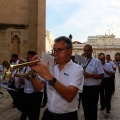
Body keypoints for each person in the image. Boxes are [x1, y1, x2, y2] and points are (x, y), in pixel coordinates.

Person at [27, 36, 84, 120]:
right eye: (55, 50)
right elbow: (37, 88)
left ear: (69, 51)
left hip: (67, 116)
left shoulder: (77, 69)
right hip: (49, 114)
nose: (55, 54)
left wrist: (49, 77)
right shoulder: (51, 68)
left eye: (60, 50)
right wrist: (32, 76)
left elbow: (69, 95)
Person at [81, 44, 104, 120]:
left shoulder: (97, 61)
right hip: (84, 88)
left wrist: (89, 75)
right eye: (85, 50)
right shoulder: (82, 61)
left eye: (88, 50)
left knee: (93, 109)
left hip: (94, 89)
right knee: (85, 108)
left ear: (91, 51)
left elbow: (101, 75)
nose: (86, 52)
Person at [20, 51, 43, 120]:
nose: (28, 59)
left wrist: (30, 79)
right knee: (26, 111)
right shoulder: (25, 68)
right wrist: (21, 81)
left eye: (29, 57)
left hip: (35, 94)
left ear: (34, 58)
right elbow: (24, 82)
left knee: (34, 114)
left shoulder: (39, 68)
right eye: (27, 57)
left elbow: (41, 82)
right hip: (26, 92)